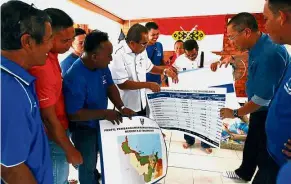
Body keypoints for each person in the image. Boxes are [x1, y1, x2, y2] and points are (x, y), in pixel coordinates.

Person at [212, 12, 289, 183]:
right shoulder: (260, 43)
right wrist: (232, 57)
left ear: (246, 32)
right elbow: (251, 55)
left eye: (232, 37)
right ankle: (244, 172)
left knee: (264, 154)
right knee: (252, 142)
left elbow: (262, 99)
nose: (231, 41)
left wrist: (235, 112)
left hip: (269, 111)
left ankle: (252, 174)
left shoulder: (270, 53)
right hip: (259, 108)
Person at [63, 30, 136, 184]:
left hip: (101, 124)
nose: (111, 59)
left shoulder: (101, 65)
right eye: (109, 55)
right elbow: (74, 114)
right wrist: (104, 113)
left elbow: (110, 87)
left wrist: (121, 107)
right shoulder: (74, 77)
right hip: (84, 129)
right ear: (94, 56)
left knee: (106, 159)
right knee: (87, 165)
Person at [1, 1, 53, 183]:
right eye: (48, 39)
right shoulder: (11, 91)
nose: (51, 47)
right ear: (27, 42)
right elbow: (11, 169)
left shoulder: (15, 80)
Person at [29, 8, 83, 184]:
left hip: (59, 129)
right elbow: (48, 118)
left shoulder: (51, 56)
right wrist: (70, 150)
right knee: (55, 179)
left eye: (71, 38)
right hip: (52, 136)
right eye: (65, 40)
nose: (69, 44)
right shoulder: (42, 66)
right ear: (48, 36)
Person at [109, 23, 178, 116]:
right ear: (132, 43)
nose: (146, 46)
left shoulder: (142, 49)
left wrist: (164, 71)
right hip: (125, 108)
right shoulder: (117, 54)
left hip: (142, 103)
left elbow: (149, 67)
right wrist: (148, 85)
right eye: (144, 44)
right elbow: (122, 84)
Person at [173, 39, 221, 153]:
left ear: (197, 50)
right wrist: (171, 71)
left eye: (193, 55)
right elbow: (174, 68)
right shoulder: (180, 59)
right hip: (188, 94)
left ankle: (206, 143)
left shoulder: (208, 56)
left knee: (205, 119)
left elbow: (223, 60)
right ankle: (189, 140)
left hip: (205, 94)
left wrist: (217, 63)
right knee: (188, 118)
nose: (191, 57)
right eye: (188, 55)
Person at [262, 0, 291, 182]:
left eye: (266, 19)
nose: (265, 26)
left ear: (282, 17)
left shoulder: (273, 51)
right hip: (274, 155)